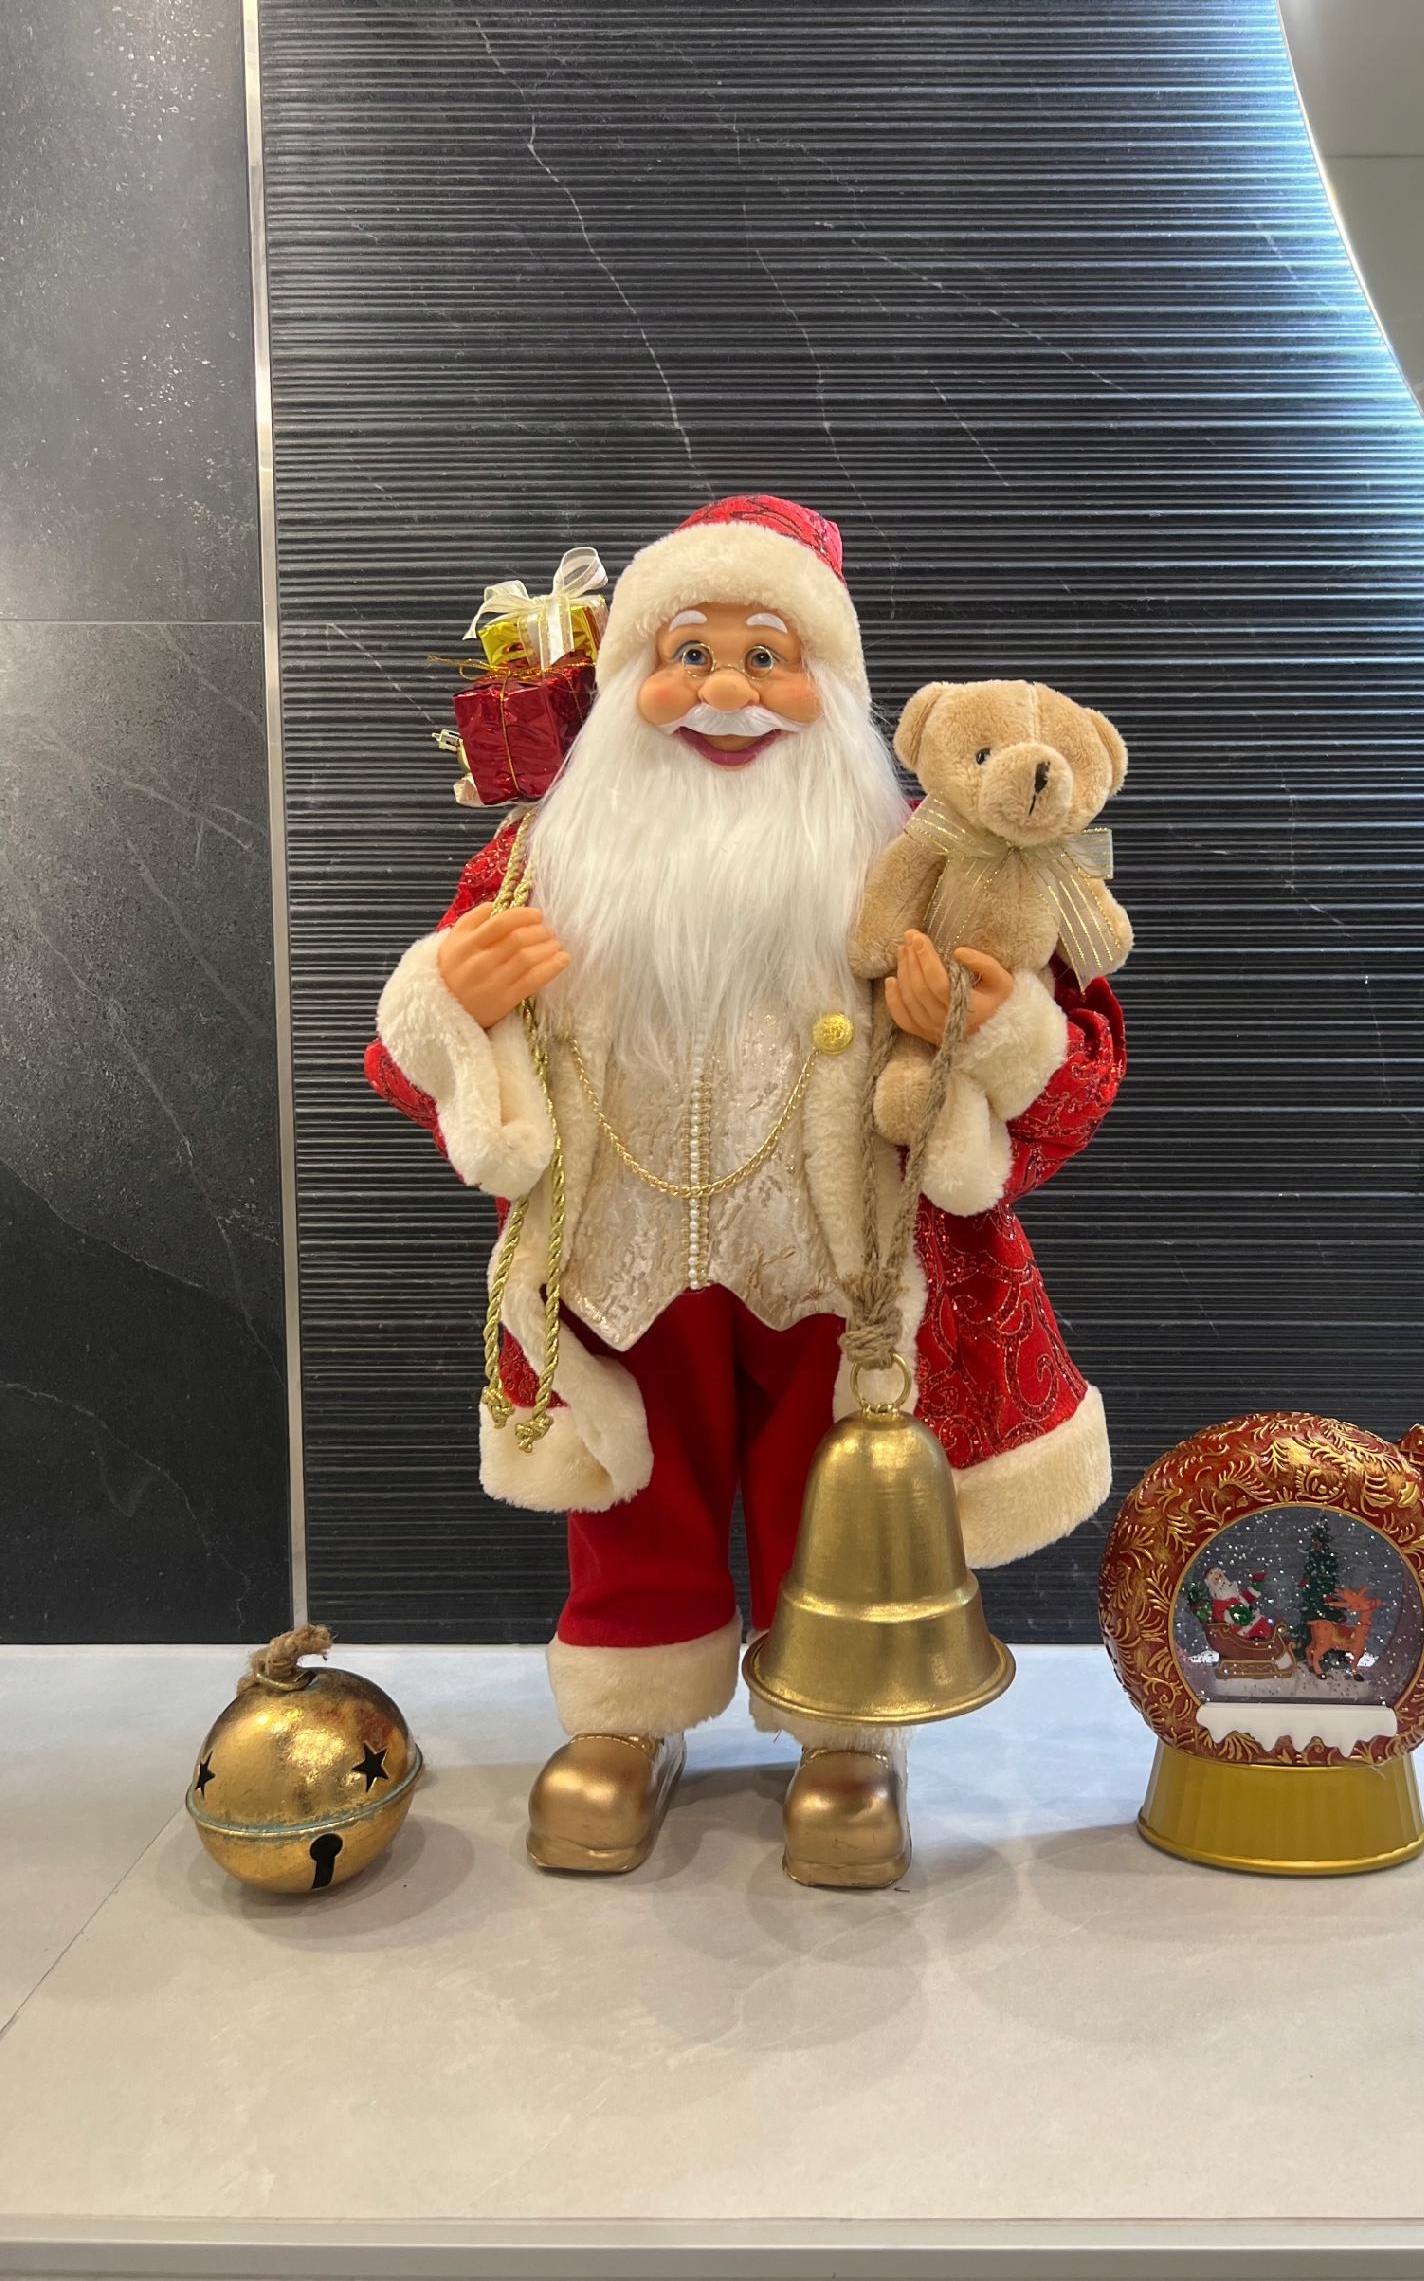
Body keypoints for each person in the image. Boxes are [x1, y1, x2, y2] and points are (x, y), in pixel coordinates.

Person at [366, 493, 1125, 1887]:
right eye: (690, 654)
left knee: (825, 1490)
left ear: (830, 686)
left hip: (834, 1259)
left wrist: (988, 1019)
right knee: (633, 1488)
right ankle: (630, 1709)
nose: (726, 692)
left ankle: (842, 1718)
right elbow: (413, 1071)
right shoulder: (538, 862)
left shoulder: (918, 864)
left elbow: (1074, 1078)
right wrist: (445, 1002)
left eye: (767, 656)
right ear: (629, 681)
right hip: (618, 1251)